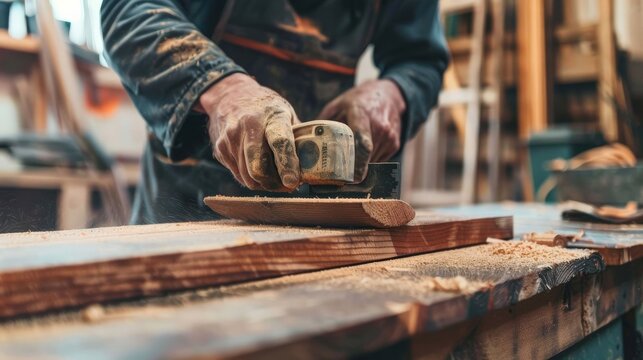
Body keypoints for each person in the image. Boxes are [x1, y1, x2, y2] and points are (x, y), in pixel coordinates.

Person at [101, 0, 449, 224]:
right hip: (189, 203)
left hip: (322, 219)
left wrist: (391, 94)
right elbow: (129, 9)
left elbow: (419, 60)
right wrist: (226, 91)